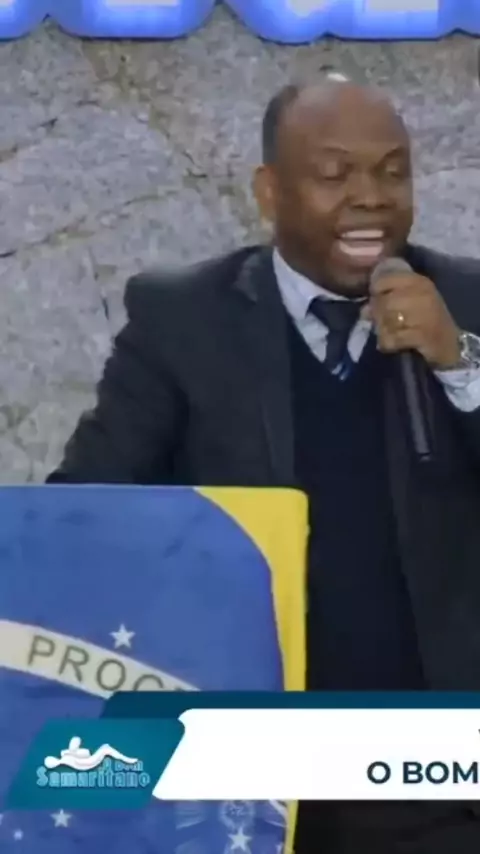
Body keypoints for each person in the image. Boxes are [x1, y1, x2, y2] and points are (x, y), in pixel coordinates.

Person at [49, 80, 480, 852]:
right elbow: (86, 508)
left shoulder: (467, 303)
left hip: (436, 764)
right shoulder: (184, 320)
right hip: (246, 769)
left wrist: (459, 366)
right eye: (335, 173)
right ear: (269, 191)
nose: (371, 197)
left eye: (393, 172)